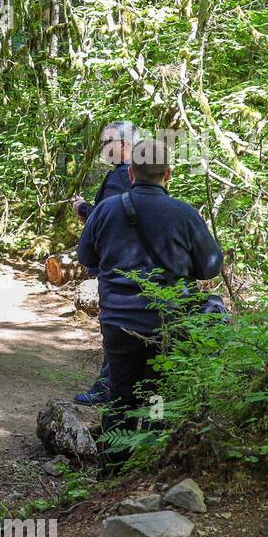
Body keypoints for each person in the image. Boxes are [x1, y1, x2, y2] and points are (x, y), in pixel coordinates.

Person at [77, 138, 223, 475]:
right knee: (158, 394)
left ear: (131, 173)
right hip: (167, 322)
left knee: (120, 394)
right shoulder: (185, 214)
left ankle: (111, 471)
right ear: (168, 174)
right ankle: (150, 468)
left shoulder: (106, 210)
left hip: (117, 320)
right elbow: (211, 266)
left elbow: (86, 257)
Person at [72, 121, 140, 405]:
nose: (103, 148)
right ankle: (116, 388)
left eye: (107, 142)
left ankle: (107, 389)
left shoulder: (120, 178)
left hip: (118, 266)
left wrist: (82, 209)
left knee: (115, 327)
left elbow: (105, 219)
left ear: (124, 145)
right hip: (131, 264)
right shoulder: (132, 176)